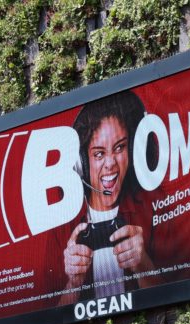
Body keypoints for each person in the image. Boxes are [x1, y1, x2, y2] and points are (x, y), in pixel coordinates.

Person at [53, 91, 159, 305]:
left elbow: (174, 301)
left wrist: (143, 264)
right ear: (81, 163)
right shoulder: (60, 223)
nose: (110, 163)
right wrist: (73, 283)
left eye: (119, 148)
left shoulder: (153, 206)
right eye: (99, 154)